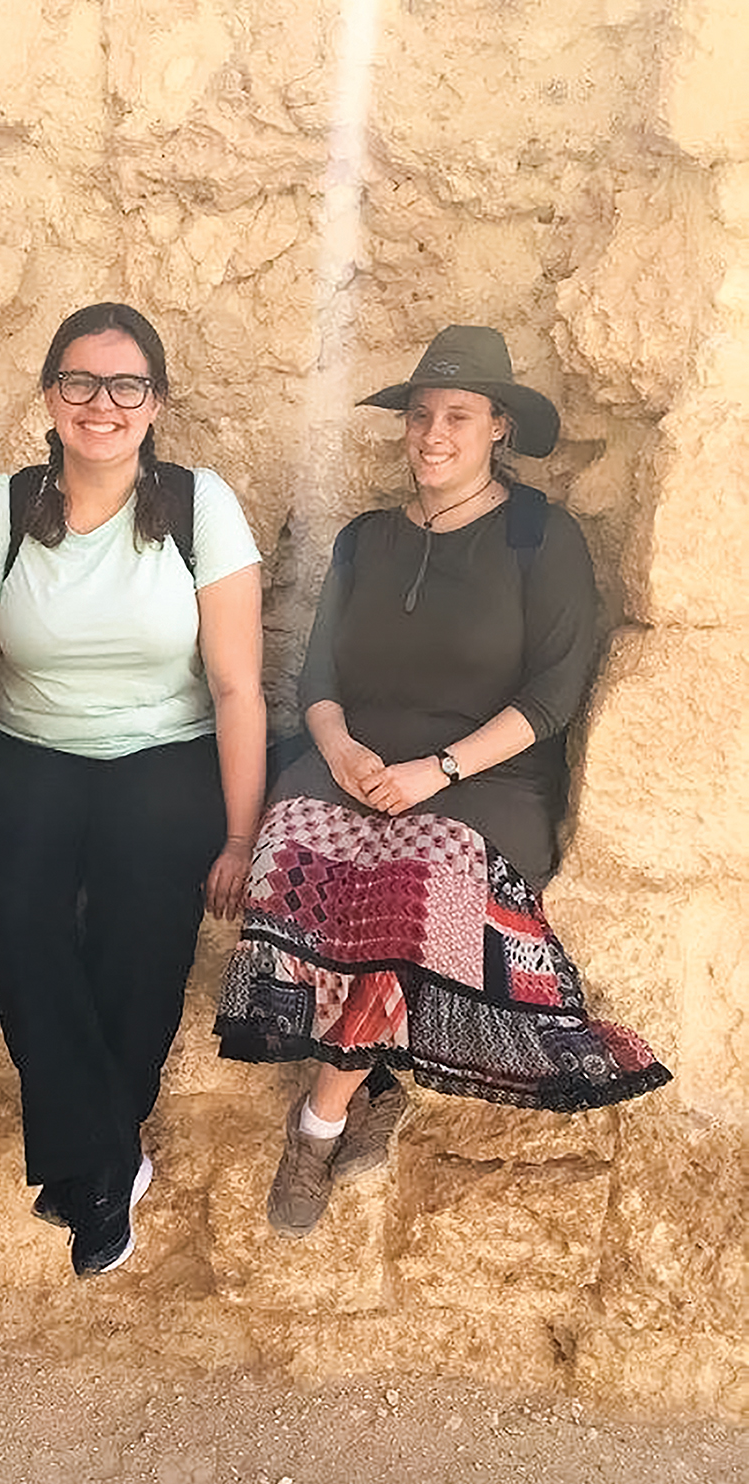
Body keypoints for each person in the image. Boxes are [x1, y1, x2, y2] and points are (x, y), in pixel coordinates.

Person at [214, 326, 671, 1236]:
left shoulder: (543, 536)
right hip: (359, 758)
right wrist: (339, 751)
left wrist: (442, 769)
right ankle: (374, 1078)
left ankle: (321, 1120)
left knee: (410, 883)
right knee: (291, 855)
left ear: (498, 425)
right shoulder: (365, 539)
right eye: (420, 414)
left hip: (485, 776)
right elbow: (318, 679)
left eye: (458, 415)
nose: (433, 433)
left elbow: (553, 692)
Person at [0, 303, 266, 1277]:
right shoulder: (6, 506)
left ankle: (89, 1170)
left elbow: (238, 685)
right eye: (80, 382)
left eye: (125, 386)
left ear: (154, 403)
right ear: (50, 396)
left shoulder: (202, 508)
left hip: (166, 748)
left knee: (143, 921)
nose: (101, 404)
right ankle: (112, 1159)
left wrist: (241, 838)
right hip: (29, 750)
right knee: (20, 910)